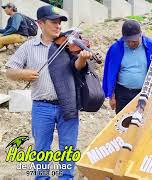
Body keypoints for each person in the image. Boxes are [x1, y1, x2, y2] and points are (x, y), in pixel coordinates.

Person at [5, 5, 92, 179]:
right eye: (53, 22)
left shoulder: (68, 45)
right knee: (42, 149)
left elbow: (76, 67)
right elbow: (9, 71)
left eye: (60, 22)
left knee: (68, 148)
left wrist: (82, 59)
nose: (58, 26)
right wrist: (23, 73)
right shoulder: (28, 47)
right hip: (41, 107)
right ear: (40, 23)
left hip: (68, 104)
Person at [102, 19, 152, 114]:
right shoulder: (116, 49)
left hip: (144, 93)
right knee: (122, 122)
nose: (131, 44)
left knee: (142, 122)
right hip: (122, 94)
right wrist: (112, 97)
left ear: (140, 35)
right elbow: (110, 73)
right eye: (128, 41)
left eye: (134, 41)